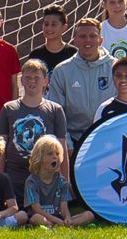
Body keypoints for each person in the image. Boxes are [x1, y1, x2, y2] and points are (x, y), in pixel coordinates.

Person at [0, 59, 68, 197]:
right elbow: (1, 148)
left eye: (36, 78)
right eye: (27, 78)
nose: (32, 81)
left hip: (45, 177)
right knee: (18, 216)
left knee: (40, 217)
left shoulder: (55, 110)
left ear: (45, 81)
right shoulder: (9, 108)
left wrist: (64, 183)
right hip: (15, 176)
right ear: (21, 81)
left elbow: (62, 149)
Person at [47, 18, 116, 154]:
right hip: (74, 140)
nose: (88, 40)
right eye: (83, 36)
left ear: (100, 40)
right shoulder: (62, 70)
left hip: (107, 138)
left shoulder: (114, 68)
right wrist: (67, 144)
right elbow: (56, 113)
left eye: (92, 36)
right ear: (75, 40)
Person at [22, 135, 91, 227]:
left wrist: (67, 218)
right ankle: (54, 225)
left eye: (57, 154)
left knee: (89, 215)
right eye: (50, 154)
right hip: (40, 216)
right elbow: (37, 209)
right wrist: (57, 220)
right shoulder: (31, 182)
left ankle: (64, 225)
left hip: (58, 217)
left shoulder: (61, 181)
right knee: (37, 218)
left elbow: (64, 208)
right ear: (39, 157)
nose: (55, 157)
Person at [26, 4, 77, 72]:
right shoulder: (35, 54)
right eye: (46, 24)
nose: (49, 28)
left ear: (64, 27)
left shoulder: (73, 53)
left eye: (53, 24)